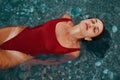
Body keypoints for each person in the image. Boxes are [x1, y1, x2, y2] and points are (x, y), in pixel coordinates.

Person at [0, 14, 104, 69]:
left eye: (95, 29)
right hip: (16, 32)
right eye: (93, 21)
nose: (92, 24)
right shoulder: (66, 18)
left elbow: (54, 61)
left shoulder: (74, 51)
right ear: (86, 19)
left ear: (88, 38)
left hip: (19, 55)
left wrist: (33, 62)